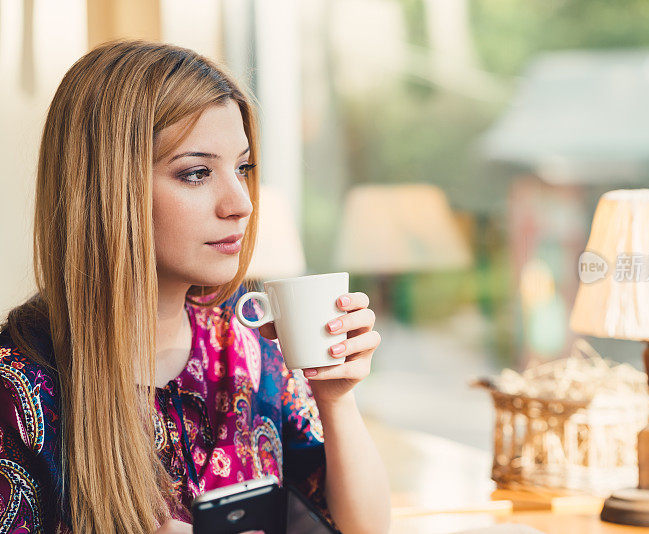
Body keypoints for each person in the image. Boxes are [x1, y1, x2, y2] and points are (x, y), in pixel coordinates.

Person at [0, 40, 390, 534]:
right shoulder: (19, 390)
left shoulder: (251, 355)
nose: (241, 204)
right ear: (106, 190)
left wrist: (336, 398)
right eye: (197, 172)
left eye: (243, 168)